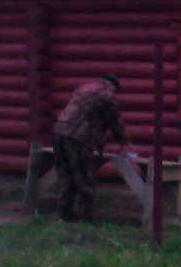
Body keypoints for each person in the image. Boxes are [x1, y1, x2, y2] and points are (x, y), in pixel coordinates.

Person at [52, 74, 130, 222]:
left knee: (65, 174)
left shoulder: (84, 88)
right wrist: (123, 138)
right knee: (84, 177)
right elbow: (113, 120)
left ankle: (66, 215)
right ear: (114, 86)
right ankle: (86, 217)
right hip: (78, 136)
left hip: (59, 131)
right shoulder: (108, 94)